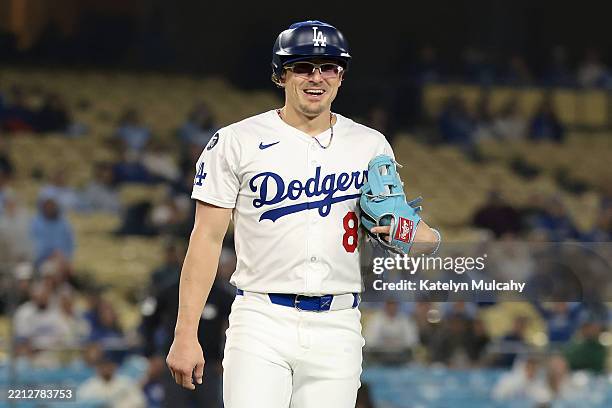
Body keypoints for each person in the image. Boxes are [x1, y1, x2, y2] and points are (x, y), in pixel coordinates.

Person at [165, 20, 439, 408]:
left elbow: (412, 234)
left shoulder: (369, 144)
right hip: (261, 319)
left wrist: (415, 234)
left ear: (341, 76)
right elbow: (206, 239)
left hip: (338, 323)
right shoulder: (236, 141)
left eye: (328, 67)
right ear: (281, 75)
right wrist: (185, 331)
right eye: (304, 67)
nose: (317, 77)